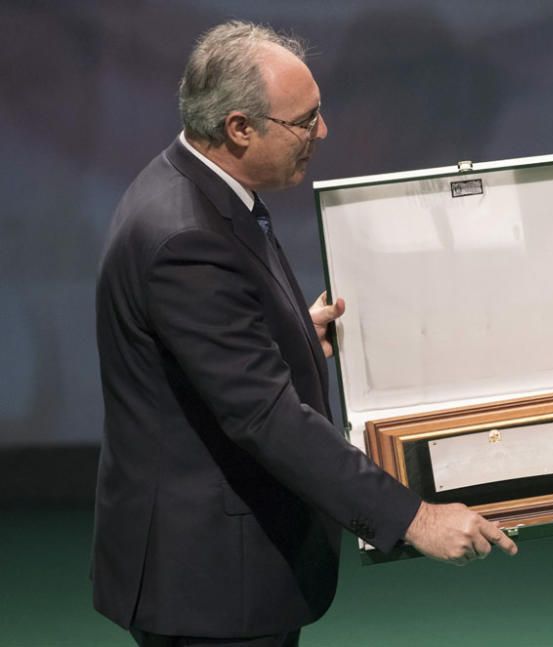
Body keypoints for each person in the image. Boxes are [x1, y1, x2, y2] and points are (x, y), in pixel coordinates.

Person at [93, 21, 515, 647]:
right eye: (304, 119)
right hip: (208, 586)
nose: (322, 131)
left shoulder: (194, 187)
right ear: (239, 127)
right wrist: (414, 518)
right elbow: (265, 418)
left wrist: (290, 333)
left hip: (212, 569)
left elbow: (211, 349)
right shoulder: (188, 236)